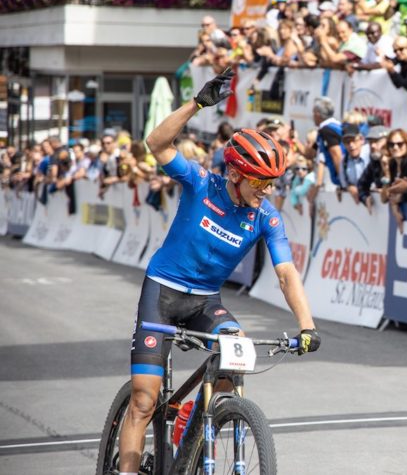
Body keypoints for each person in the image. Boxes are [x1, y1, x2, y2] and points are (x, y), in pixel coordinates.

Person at [118, 72, 320, 474]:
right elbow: (156, 144)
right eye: (260, 181)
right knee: (144, 400)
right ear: (235, 174)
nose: (266, 189)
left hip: (205, 301)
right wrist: (196, 104)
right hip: (163, 293)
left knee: (237, 355)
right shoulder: (200, 184)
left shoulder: (266, 216)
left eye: (272, 182)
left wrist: (307, 326)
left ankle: (193, 424)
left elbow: (286, 273)